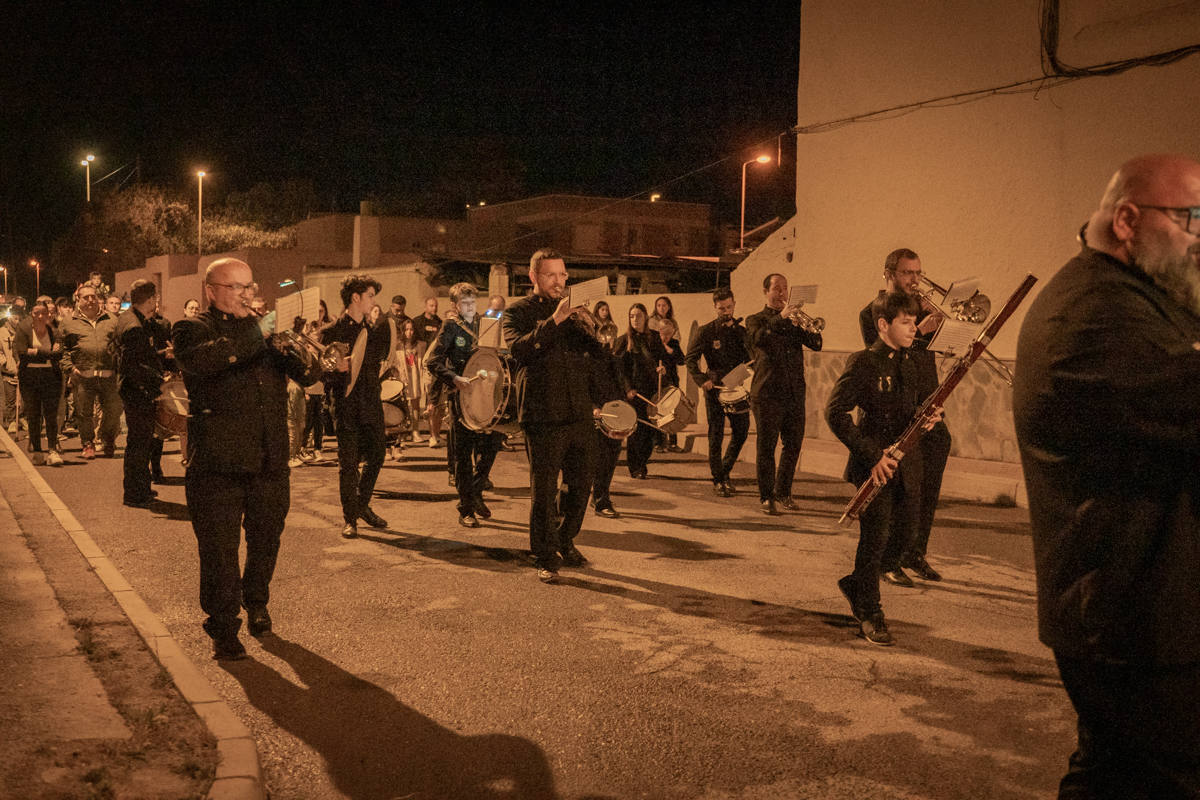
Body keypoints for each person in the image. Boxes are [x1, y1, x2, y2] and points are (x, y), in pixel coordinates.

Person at [1013, 153, 1200, 798]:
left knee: (1115, 778)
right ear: (1127, 219)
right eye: (1194, 220)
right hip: (1137, 620)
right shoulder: (1094, 314)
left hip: (1138, 611)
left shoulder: (1136, 296)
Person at [173, 257, 318, 660]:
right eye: (235, 286)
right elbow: (208, 361)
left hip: (268, 459)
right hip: (217, 462)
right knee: (219, 550)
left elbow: (308, 376)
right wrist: (264, 329)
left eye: (249, 286)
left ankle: (257, 602)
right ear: (211, 290)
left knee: (266, 539)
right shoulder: (191, 329)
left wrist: (296, 346)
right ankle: (222, 626)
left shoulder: (267, 335)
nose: (245, 293)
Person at [826, 291, 942, 646]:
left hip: (908, 463)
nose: (913, 328)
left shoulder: (913, 361)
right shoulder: (863, 362)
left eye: (913, 321)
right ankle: (870, 612)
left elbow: (918, 406)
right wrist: (872, 454)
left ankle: (856, 583)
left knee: (906, 539)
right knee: (874, 541)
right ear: (883, 325)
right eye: (905, 323)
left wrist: (932, 418)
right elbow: (835, 412)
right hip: (874, 464)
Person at [504, 248, 606, 582]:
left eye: (563, 275)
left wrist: (593, 328)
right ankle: (545, 554)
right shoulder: (516, 312)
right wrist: (556, 320)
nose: (559, 281)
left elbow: (597, 354)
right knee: (544, 490)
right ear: (533, 276)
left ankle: (565, 538)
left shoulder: (574, 315)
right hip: (543, 413)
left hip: (578, 410)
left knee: (580, 486)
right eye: (551, 275)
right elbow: (519, 350)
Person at [858, 248, 950, 584]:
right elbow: (885, 357)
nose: (915, 280)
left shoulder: (922, 309)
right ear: (890, 274)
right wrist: (921, 332)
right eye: (908, 273)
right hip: (898, 413)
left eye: (918, 273)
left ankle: (915, 553)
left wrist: (948, 335)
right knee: (901, 492)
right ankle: (887, 560)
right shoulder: (872, 313)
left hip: (929, 406)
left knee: (929, 486)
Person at [745, 273, 823, 515]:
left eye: (785, 289)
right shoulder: (755, 320)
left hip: (793, 393)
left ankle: (783, 492)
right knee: (766, 447)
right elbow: (759, 339)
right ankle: (766, 496)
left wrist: (810, 326)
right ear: (766, 292)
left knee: (793, 445)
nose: (781, 293)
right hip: (767, 393)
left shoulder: (793, 322)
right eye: (777, 289)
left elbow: (816, 344)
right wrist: (781, 316)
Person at [321, 274, 391, 538]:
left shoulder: (372, 331)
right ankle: (350, 518)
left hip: (371, 403)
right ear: (356, 297)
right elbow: (320, 375)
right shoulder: (332, 331)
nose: (374, 301)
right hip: (346, 406)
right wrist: (335, 369)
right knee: (348, 464)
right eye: (370, 295)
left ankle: (361, 504)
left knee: (378, 456)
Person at [428, 282, 503, 527]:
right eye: (465, 304)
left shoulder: (486, 324)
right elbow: (432, 362)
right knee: (463, 453)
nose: (470, 307)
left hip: (485, 395)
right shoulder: (450, 327)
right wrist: (453, 378)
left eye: (473, 303)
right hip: (461, 395)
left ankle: (476, 490)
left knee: (492, 444)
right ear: (455, 306)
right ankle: (466, 508)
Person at [686, 287, 751, 497]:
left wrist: (745, 377)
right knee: (715, 435)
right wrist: (702, 380)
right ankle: (718, 479)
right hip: (714, 388)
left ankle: (725, 471)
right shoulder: (706, 331)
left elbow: (751, 358)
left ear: (734, 305)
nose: (726, 311)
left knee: (741, 432)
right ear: (715, 307)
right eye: (721, 308)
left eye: (729, 307)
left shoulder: (741, 332)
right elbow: (690, 359)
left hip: (736, 386)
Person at [114, 280, 166, 506]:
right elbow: (132, 366)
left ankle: (141, 488)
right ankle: (135, 494)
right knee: (139, 444)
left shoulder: (134, 320)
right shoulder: (133, 326)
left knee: (141, 443)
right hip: (137, 393)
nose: (157, 301)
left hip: (136, 390)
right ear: (151, 299)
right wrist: (154, 385)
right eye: (156, 297)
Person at [60, 282, 121, 460]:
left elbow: (120, 345)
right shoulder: (68, 323)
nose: (90, 300)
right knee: (84, 413)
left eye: (93, 297)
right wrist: (70, 368)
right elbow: (63, 350)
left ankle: (108, 438)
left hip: (109, 375)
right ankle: (88, 443)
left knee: (114, 410)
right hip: (83, 376)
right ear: (78, 300)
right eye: (85, 297)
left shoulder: (112, 320)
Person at [614, 303, 668, 479]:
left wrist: (663, 370)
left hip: (652, 391)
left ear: (645, 317)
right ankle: (635, 467)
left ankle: (643, 462)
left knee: (652, 431)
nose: (635, 319)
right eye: (632, 316)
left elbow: (663, 360)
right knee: (636, 432)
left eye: (638, 315)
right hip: (634, 393)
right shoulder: (624, 340)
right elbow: (619, 370)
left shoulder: (654, 338)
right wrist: (628, 389)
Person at [14, 301, 64, 465]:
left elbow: (60, 353)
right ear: (31, 314)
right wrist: (48, 353)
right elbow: (22, 351)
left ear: (48, 314)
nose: (41, 316)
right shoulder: (23, 329)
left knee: (51, 415)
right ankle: (37, 450)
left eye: (44, 313)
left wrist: (36, 352)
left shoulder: (53, 330)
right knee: (33, 415)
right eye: (37, 313)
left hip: (50, 376)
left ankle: (52, 450)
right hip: (30, 377)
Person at [654, 316, 687, 453]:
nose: (665, 336)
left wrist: (669, 349)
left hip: (672, 382)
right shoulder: (654, 343)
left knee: (673, 411)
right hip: (658, 382)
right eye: (662, 333)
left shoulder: (674, 344)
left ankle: (673, 442)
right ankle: (659, 442)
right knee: (658, 412)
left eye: (668, 334)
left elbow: (682, 361)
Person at [415, 297, 446, 447]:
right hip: (427, 368)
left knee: (440, 405)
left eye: (436, 306)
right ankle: (432, 435)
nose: (434, 308)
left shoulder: (439, 323)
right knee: (431, 403)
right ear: (425, 306)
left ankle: (438, 434)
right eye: (431, 305)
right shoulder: (418, 322)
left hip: (441, 369)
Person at [1, 303, 23, 434]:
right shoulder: (1, 332)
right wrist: (4, 363)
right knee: (10, 399)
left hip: (22, 369)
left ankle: (21, 418)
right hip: (8, 371)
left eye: (19, 319)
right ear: (10, 318)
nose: (17, 321)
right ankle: (10, 421)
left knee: (23, 399)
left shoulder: (23, 332)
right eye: (15, 318)